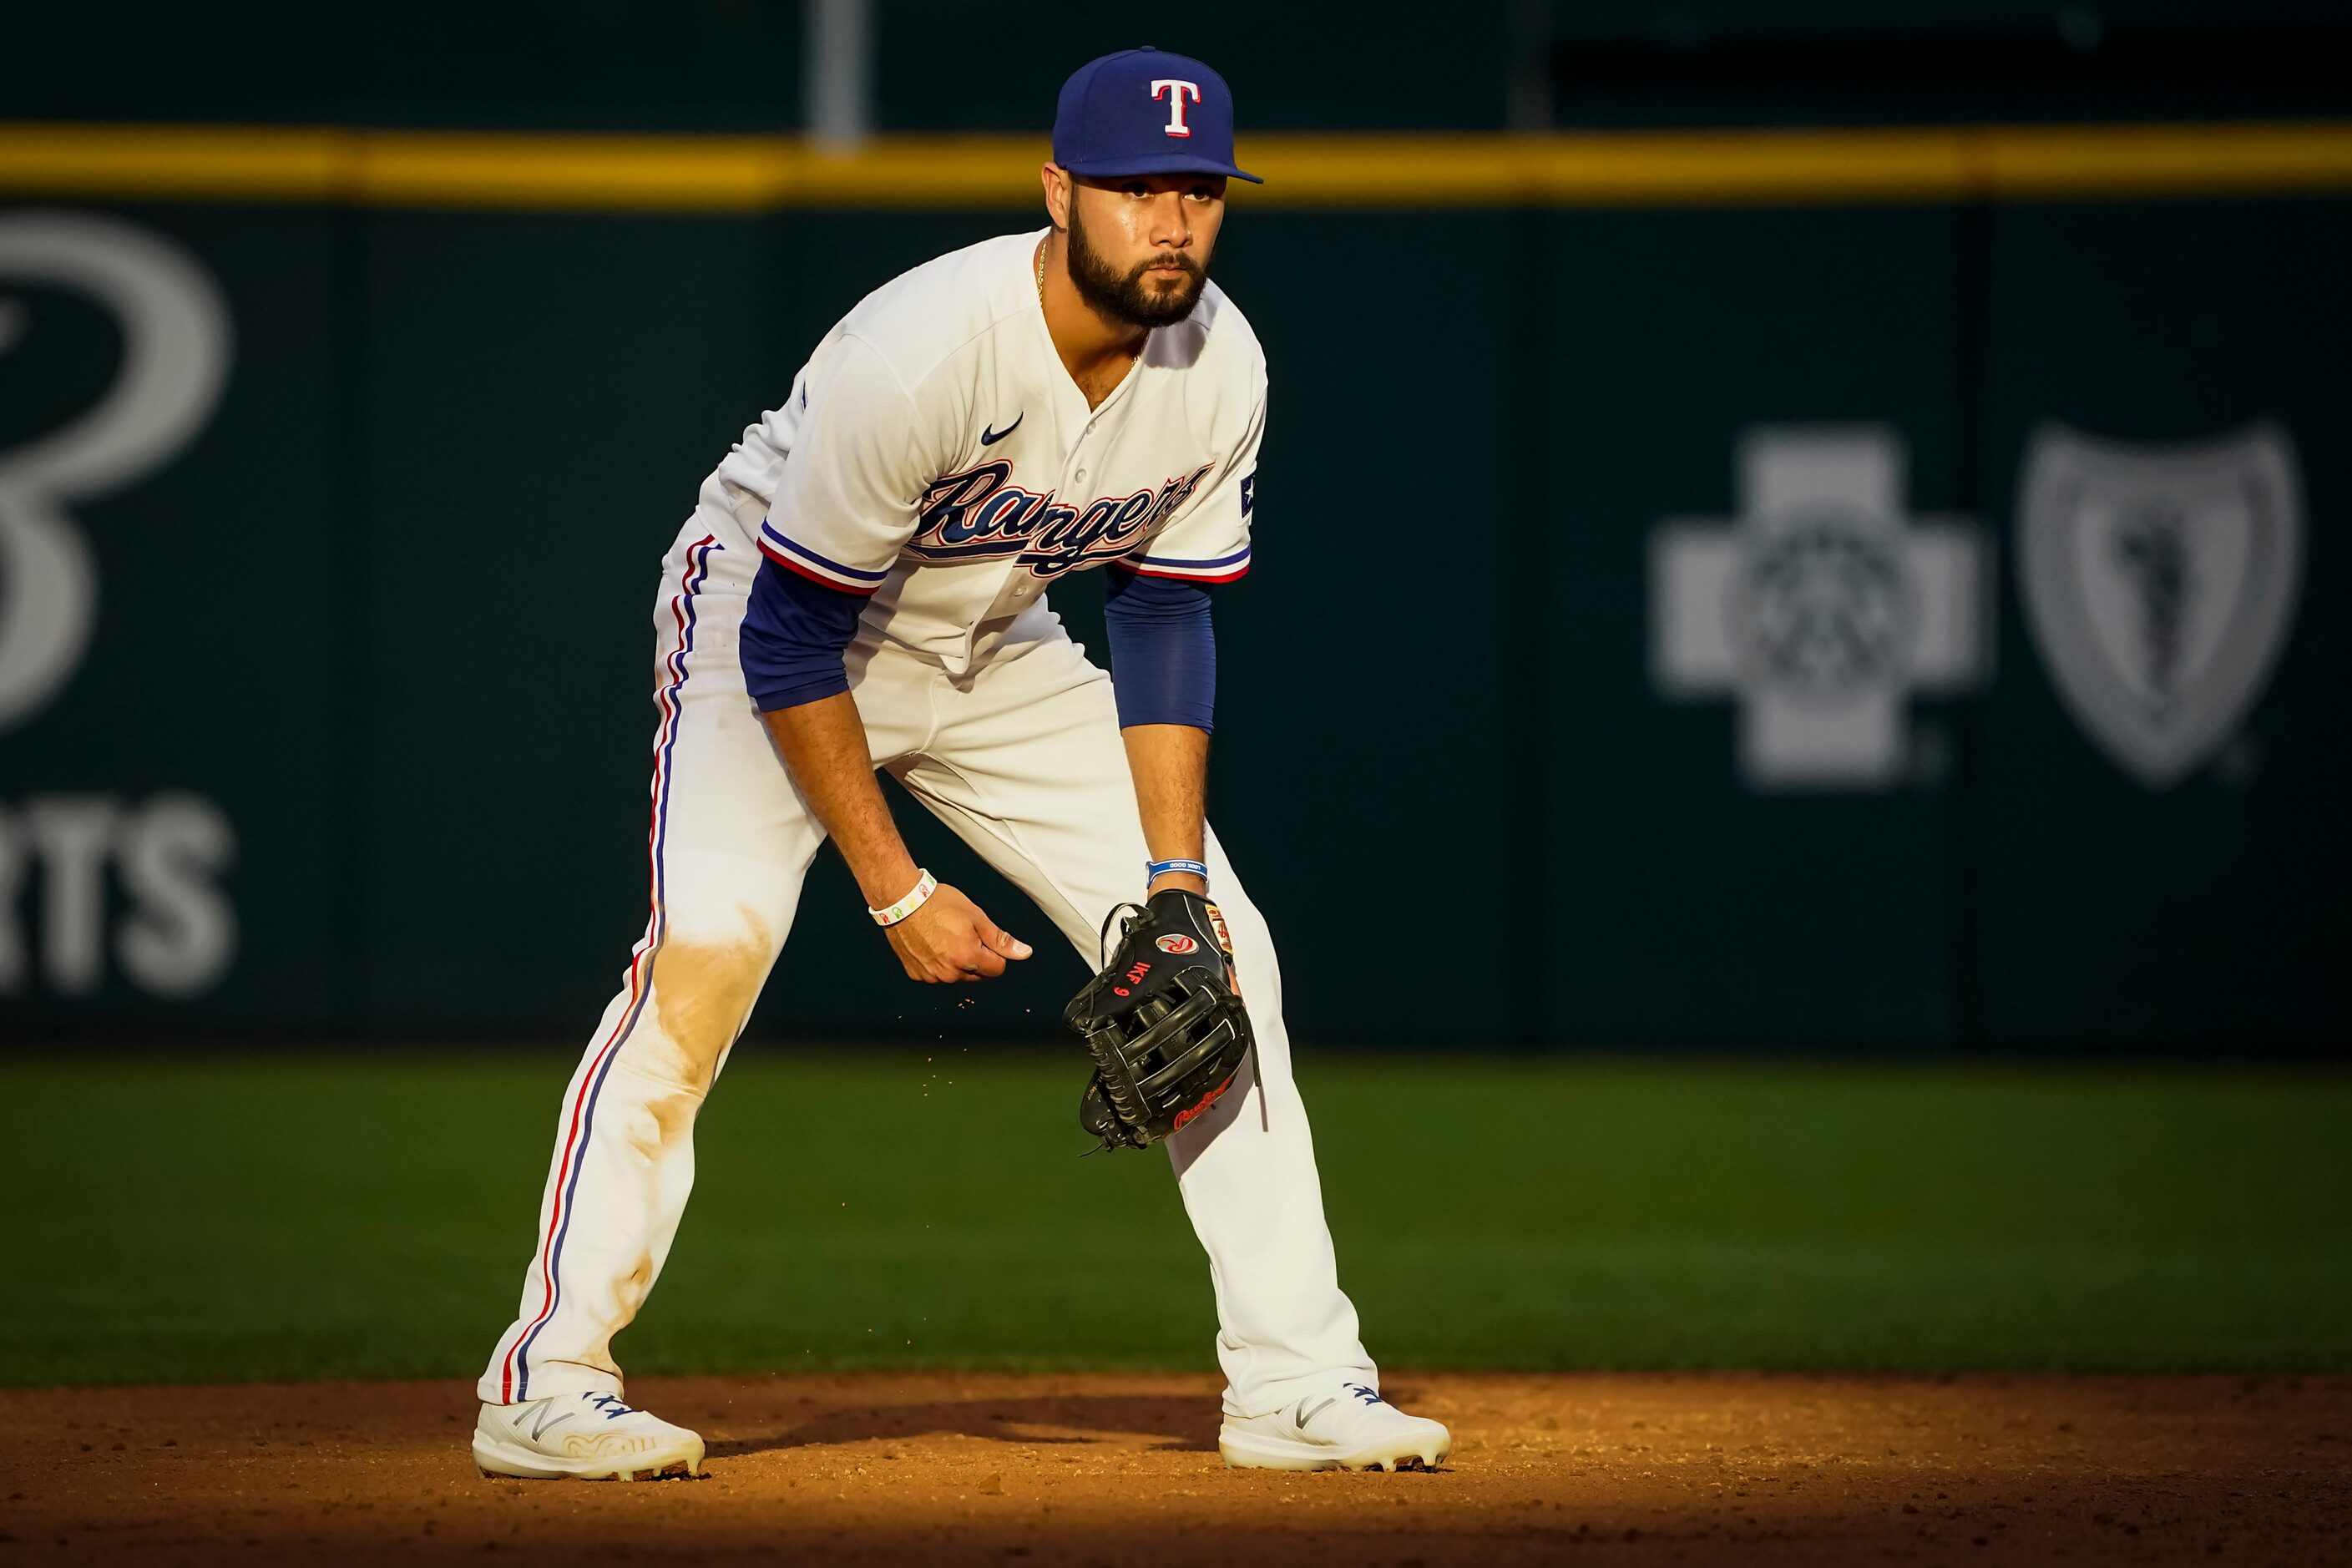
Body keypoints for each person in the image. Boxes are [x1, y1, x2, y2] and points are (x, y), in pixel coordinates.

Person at [470, 46, 1451, 1481]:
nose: (1171, 219)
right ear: (1058, 193)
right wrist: (892, 889)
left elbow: (1165, 609)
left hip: (993, 636)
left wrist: (1168, 879)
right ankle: (544, 1380)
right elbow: (795, 640)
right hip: (773, 611)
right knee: (703, 957)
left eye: (1199, 189)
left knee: (1220, 953)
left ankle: (1296, 1378)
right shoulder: (925, 347)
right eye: (1134, 188)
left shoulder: (1219, 362)